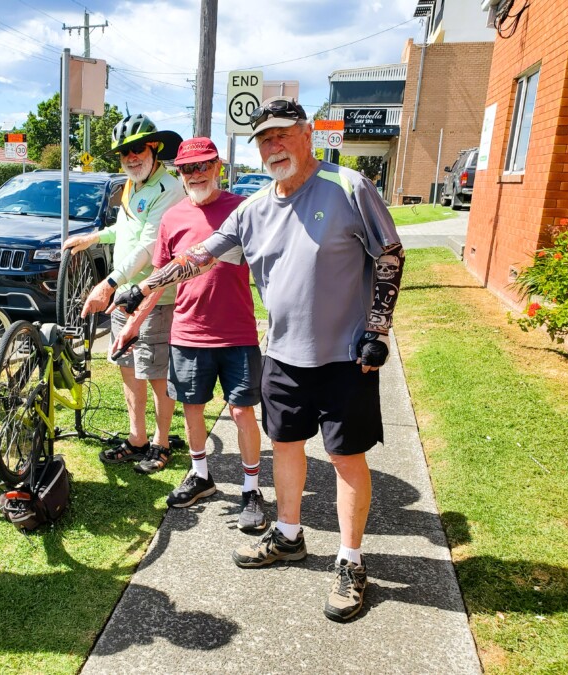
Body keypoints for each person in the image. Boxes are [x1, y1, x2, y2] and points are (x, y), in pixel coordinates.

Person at [111, 97, 405, 622]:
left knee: (345, 457)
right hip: (284, 355)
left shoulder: (348, 186)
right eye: (264, 139)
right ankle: (289, 535)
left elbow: (389, 254)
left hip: (346, 357)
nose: (273, 146)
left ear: (307, 134)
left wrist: (378, 329)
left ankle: (350, 560)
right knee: (285, 448)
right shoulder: (253, 209)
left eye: (282, 134)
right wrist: (142, 289)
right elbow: (197, 258)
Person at [110, 137, 267, 532]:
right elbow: (160, 278)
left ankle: (251, 489)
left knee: (241, 411)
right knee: (192, 407)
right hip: (188, 332)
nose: (196, 174)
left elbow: (271, 265)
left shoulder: (242, 210)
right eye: (187, 168)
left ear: (217, 167)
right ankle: (200, 476)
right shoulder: (172, 217)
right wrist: (133, 323)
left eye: (203, 165)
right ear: (179, 173)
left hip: (237, 332)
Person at [63, 114, 184, 474]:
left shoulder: (169, 189)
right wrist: (93, 237)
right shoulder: (132, 185)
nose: (131, 157)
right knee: (128, 369)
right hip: (124, 297)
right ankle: (137, 438)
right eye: (124, 152)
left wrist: (109, 283)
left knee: (157, 374)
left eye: (137, 149)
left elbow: (149, 245)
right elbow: (126, 228)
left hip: (153, 299)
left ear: (154, 148)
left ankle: (161, 444)